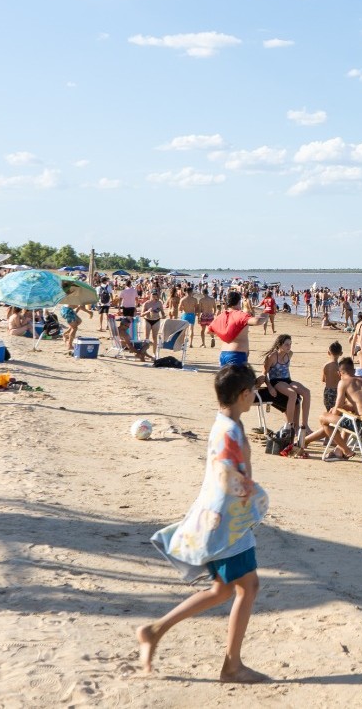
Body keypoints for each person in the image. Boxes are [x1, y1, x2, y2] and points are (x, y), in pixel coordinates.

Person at [140, 364, 270, 683]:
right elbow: (227, 475)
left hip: (223, 519)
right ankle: (232, 666)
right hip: (227, 523)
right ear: (244, 394)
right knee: (249, 587)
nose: (255, 395)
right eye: (253, 391)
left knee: (223, 590)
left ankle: (155, 631)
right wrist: (253, 495)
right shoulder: (229, 431)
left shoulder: (226, 423)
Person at [260, 334, 310, 443]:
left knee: (306, 392)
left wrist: (290, 383)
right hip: (276, 381)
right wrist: (270, 387)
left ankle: (305, 425)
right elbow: (264, 373)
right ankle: (290, 425)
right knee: (292, 394)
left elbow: (286, 371)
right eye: (286, 344)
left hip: (287, 380)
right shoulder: (272, 356)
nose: (289, 347)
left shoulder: (290, 354)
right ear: (279, 345)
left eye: (290, 344)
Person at [207, 291, 255, 367]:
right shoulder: (241, 314)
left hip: (223, 353)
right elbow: (257, 321)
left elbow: (208, 331)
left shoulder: (221, 316)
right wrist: (265, 315)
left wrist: (222, 333)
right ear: (239, 302)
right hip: (237, 354)